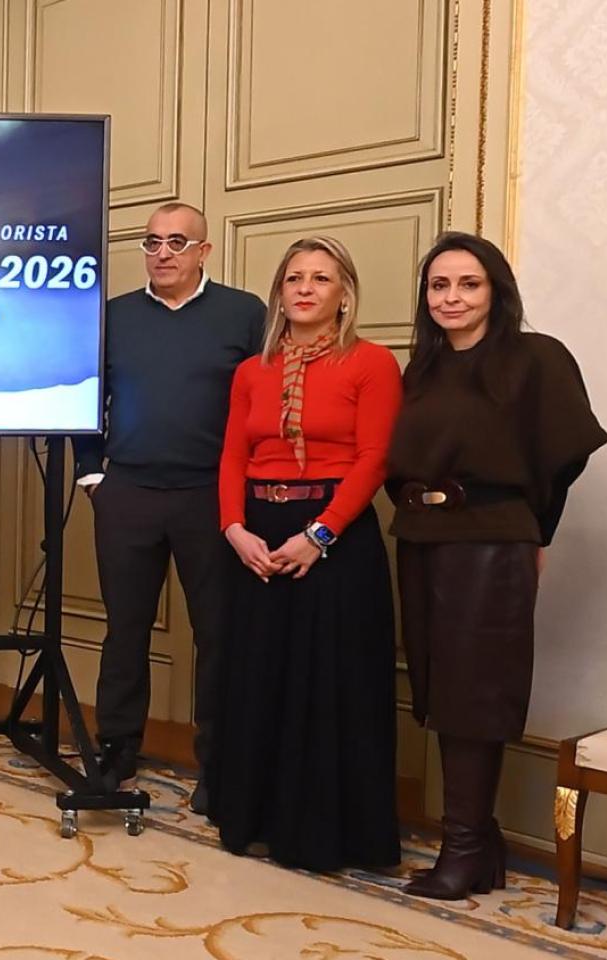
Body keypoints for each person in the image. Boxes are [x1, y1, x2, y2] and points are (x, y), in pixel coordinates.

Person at [389, 232, 607, 899]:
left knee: (474, 693)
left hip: (491, 540)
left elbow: (563, 458)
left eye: (468, 284)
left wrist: (533, 536)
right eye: (439, 286)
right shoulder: (421, 370)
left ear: (496, 290)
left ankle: (463, 849)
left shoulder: (533, 358)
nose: (452, 297)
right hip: (422, 535)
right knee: (436, 687)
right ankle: (481, 844)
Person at [206, 236, 403, 871]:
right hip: (258, 529)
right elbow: (233, 455)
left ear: (344, 294)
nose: (306, 289)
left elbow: (375, 458)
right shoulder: (251, 371)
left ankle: (323, 834)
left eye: (321, 278)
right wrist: (234, 529)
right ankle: (255, 817)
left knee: (329, 682)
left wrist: (319, 536)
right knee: (261, 672)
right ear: (279, 292)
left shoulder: (372, 363)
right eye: (294, 278)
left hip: (334, 534)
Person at [74, 202, 265, 810]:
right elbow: (84, 396)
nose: (163, 254)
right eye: (152, 242)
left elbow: (262, 404)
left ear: (204, 251)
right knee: (124, 630)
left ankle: (219, 763)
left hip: (211, 496)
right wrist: (91, 476)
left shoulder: (243, 313)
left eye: (177, 243)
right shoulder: (116, 316)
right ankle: (117, 750)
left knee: (219, 634)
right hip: (127, 491)